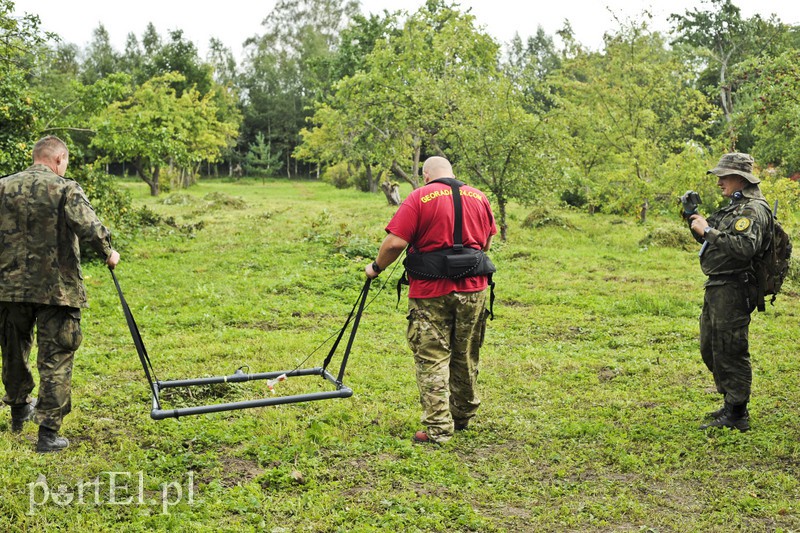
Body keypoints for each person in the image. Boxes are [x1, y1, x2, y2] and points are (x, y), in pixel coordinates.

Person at [0, 136, 120, 452]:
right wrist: (108, 252)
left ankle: (18, 411)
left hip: (9, 288)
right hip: (57, 290)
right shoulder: (65, 188)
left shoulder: (3, 186)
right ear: (59, 158)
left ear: (35, 156)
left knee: (14, 350)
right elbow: (90, 227)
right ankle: (47, 435)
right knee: (56, 356)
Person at [365, 156, 496, 444]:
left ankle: (438, 429)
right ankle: (462, 415)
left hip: (430, 291)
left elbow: (396, 242)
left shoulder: (420, 196)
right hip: (474, 288)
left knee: (432, 356)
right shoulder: (479, 197)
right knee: (465, 352)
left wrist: (375, 268)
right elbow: (486, 243)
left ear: (426, 175)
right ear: (451, 171)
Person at [688, 152, 772, 432]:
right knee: (712, 347)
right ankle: (730, 403)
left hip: (734, 287)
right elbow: (714, 238)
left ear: (740, 178)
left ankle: (737, 414)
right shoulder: (735, 207)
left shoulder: (752, 209)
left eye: (724, 176)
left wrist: (708, 231)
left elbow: (744, 248)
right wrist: (693, 221)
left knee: (731, 349)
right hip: (718, 285)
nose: (719, 182)